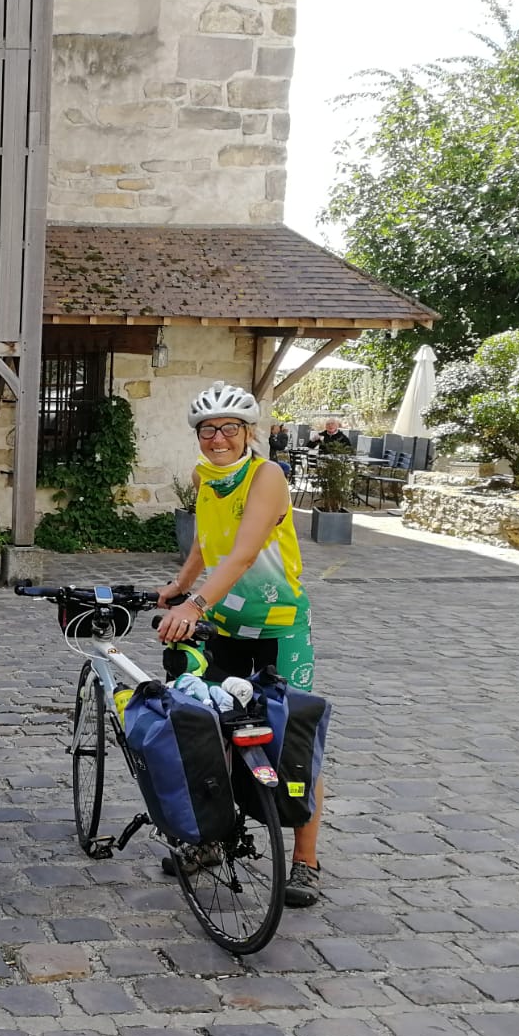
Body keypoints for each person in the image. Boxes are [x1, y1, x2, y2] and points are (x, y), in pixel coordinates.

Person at [154, 381, 324, 907]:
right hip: (225, 627)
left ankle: (305, 861)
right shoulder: (204, 478)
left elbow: (245, 553)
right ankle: (212, 839)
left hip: (278, 627)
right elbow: (208, 541)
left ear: (249, 432)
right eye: (208, 430)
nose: (218, 438)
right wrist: (181, 584)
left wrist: (193, 606)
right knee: (214, 734)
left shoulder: (266, 475)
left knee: (293, 740)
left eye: (229, 428)